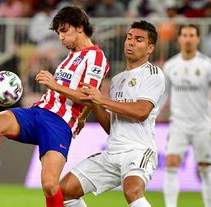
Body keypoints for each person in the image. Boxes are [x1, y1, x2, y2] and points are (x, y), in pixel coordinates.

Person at [0, 6, 109, 207]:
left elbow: (90, 97)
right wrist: (82, 117)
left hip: (59, 125)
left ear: (80, 28)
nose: (61, 37)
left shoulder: (95, 56)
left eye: (64, 31)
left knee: (50, 186)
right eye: (58, 32)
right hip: (38, 112)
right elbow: (86, 97)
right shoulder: (69, 57)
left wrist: (55, 85)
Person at [59, 20, 165, 207]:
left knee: (132, 190)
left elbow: (141, 112)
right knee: (65, 191)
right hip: (113, 152)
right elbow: (111, 126)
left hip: (138, 150)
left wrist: (102, 100)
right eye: (129, 38)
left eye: (138, 40)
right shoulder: (117, 80)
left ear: (150, 48)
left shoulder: (153, 74)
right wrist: (94, 101)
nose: (131, 42)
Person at [162, 24, 211, 207]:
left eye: (192, 35)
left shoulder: (207, 65)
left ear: (198, 39)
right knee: (171, 164)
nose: (188, 39)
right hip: (178, 125)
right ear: (179, 39)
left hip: (203, 125)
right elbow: (163, 95)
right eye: (184, 35)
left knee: (206, 169)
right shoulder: (170, 66)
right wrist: (152, 114)